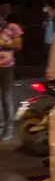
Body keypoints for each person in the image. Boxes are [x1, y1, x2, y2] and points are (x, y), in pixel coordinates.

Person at [0, 10, 23, 141]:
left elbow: (18, 45)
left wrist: (3, 44)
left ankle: (8, 129)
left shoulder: (13, 27)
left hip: (7, 66)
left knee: (6, 97)